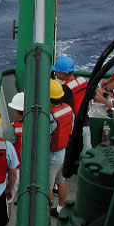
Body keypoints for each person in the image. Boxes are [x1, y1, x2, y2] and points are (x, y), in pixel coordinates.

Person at [49, 80, 74, 217]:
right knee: (61, 181)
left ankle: (46, 214)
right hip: (64, 154)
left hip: (52, 158)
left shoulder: (51, 118)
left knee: (48, 187)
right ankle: (61, 208)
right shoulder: (69, 110)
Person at [2, 92, 24, 226]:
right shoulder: (39, 128)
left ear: (16, 112)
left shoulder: (10, 131)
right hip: (33, 170)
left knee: (7, 201)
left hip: (15, 171)